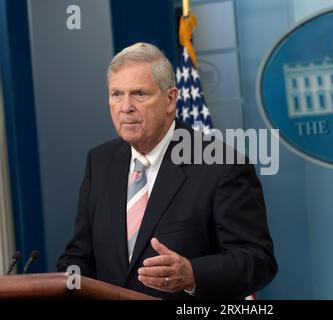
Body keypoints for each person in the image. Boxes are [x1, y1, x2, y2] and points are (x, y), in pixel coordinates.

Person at [57, 42, 277, 300]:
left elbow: (257, 260)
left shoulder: (221, 165)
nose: (125, 106)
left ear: (170, 99)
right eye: (116, 94)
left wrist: (193, 274)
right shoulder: (100, 161)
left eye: (139, 94)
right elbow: (79, 254)